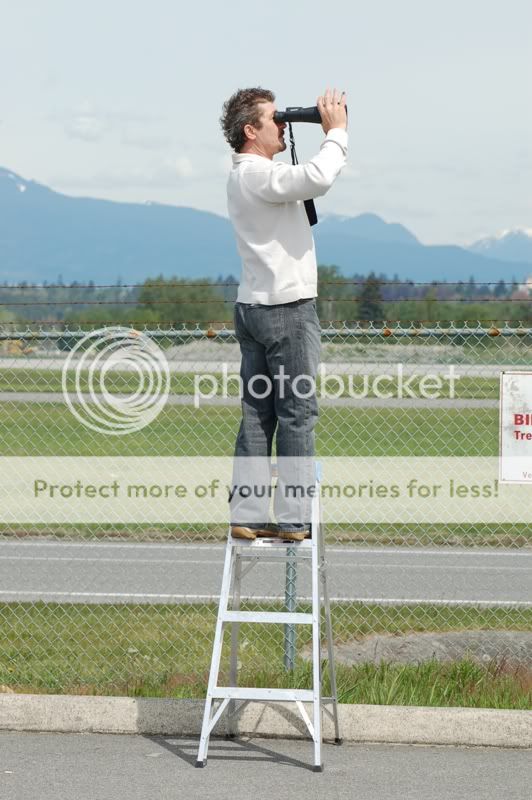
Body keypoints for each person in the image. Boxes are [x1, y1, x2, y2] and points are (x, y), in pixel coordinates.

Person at [220, 86, 348, 541]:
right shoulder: (256, 175)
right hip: (287, 311)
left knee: (257, 414)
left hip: (253, 308)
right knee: (297, 413)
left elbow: (300, 183)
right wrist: (335, 133)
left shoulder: (243, 177)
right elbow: (316, 178)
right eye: (276, 118)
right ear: (250, 130)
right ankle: (294, 519)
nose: (284, 124)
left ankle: (249, 514)